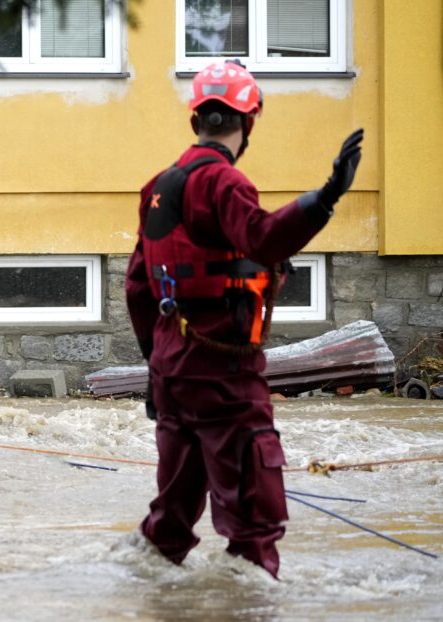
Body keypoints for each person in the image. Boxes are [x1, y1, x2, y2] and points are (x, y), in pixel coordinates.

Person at [125, 60, 363, 579]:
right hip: (222, 371)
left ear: (195, 121)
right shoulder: (224, 182)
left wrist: (154, 367)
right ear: (247, 121)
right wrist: (324, 199)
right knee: (255, 520)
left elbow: (138, 286)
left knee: (171, 514)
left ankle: (146, 594)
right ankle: (252, 605)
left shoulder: (157, 187)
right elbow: (262, 237)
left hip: (172, 370)